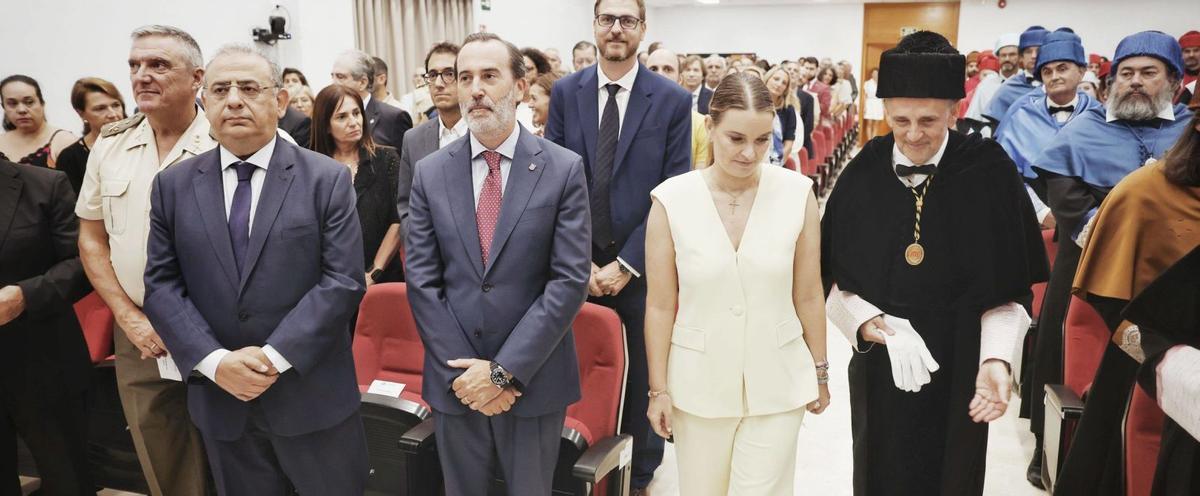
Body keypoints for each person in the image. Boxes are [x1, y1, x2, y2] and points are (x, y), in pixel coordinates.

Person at [822, 31, 1047, 496]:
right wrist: (868, 323)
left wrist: (996, 359)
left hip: (965, 363)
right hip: (883, 363)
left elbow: (1011, 288)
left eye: (928, 120)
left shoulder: (989, 170)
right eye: (900, 120)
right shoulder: (864, 171)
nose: (912, 134)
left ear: (954, 111)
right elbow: (831, 279)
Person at [142, 43, 368, 495]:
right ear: (203, 101)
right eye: (220, 90)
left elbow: (342, 281)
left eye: (249, 88)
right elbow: (162, 285)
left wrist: (272, 358)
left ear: (280, 101)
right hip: (222, 400)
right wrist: (215, 361)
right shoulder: (173, 185)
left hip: (311, 397)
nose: (233, 101)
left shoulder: (325, 179)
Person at [405, 31, 591, 495]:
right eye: (464, 77)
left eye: (489, 76)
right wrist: (467, 377)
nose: (475, 89)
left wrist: (503, 372)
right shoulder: (431, 172)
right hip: (456, 380)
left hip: (533, 378)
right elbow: (422, 281)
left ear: (521, 87)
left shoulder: (562, 168)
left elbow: (568, 281)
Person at [643, 72, 829, 495]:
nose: (750, 153)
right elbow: (660, 305)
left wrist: (820, 371)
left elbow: (808, 293)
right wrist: (659, 390)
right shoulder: (671, 199)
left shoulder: (796, 193)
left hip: (779, 380)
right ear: (710, 127)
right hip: (698, 381)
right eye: (736, 138)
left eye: (762, 140)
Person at [545, 0, 692, 492]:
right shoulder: (566, 93)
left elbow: (672, 190)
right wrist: (580, 260)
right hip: (576, 265)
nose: (616, 28)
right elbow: (553, 181)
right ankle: (575, 462)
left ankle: (639, 474)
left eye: (627, 20)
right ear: (594, 25)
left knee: (642, 373)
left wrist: (626, 263)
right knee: (577, 369)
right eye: (607, 19)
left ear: (642, 29)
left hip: (642, 264)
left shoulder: (671, 100)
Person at [1045, 31, 1195, 495]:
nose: (1135, 82)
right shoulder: (1085, 130)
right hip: (1095, 265)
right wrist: (1105, 231)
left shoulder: (1188, 130)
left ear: (1174, 81)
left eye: (1148, 73)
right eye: (1126, 73)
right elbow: (1061, 186)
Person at [75, 25, 215, 496]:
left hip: (219, 324)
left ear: (197, 78)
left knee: (236, 451)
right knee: (163, 454)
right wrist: (126, 315)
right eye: (135, 65)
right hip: (140, 328)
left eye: (158, 65)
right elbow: (92, 239)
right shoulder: (111, 145)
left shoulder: (229, 138)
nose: (142, 75)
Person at [0, 159, 93, 496]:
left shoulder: (45, 184)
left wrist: (25, 295)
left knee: (67, 478)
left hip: (41, 360)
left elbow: (83, 262)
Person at [994, 28, 1097, 228]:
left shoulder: (1099, 115)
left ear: (1082, 71)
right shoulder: (1022, 116)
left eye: (1062, 68)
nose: (1054, 76)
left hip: (1093, 221)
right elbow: (1005, 172)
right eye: (1047, 71)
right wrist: (1041, 213)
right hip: (1032, 219)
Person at [311, 84, 403, 285]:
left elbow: (398, 220)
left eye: (356, 113)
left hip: (383, 277)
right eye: (342, 117)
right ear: (325, 125)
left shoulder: (386, 158)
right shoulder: (313, 168)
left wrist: (373, 273)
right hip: (330, 281)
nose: (353, 122)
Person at [397, 42, 465, 241]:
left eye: (449, 74)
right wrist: (418, 245)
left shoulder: (483, 133)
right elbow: (406, 205)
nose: (439, 83)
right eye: (433, 75)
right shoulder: (413, 139)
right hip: (427, 250)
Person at [57, 77, 126, 192]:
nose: (113, 114)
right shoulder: (70, 158)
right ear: (81, 114)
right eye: (100, 108)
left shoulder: (143, 140)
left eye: (116, 105)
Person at [332, 49, 413, 148]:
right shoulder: (330, 115)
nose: (334, 83)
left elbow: (405, 156)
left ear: (362, 83)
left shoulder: (393, 118)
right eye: (333, 76)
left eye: (340, 77)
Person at [645, 49, 709, 168]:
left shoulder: (700, 124)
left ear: (680, 79)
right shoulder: (631, 118)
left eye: (668, 69)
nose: (660, 75)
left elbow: (699, 174)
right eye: (653, 69)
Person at [0, 75, 76, 168]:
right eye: (12, 103)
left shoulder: (64, 141)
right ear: (4, 107)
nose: (21, 110)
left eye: (29, 102)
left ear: (42, 103)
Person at [985, 26, 1050, 125]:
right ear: (1021, 57)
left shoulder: (1059, 84)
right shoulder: (1008, 89)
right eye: (1028, 52)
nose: (1034, 56)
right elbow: (995, 126)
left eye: (1038, 51)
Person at [964, 49, 1006, 136]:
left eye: (991, 75)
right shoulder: (975, 90)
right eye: (985, 75)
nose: (988, 79)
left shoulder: (1003, 90)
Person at [763, 65, 798, 166]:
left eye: (784, 83)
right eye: (776, 79)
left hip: (777, 162)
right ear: (767, 79)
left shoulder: (788, 110)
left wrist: (777, 164)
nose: (779, 84)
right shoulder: (754, 104)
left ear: (786, 89)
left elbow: (788, 143)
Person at [786, 60, 816, 160]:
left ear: (799, 75)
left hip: (800, 144)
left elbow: (809, 125)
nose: (792, 72)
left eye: (795, 70)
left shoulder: (808, 98)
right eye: (789, 69)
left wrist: (793, 141)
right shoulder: (776, 95)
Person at [801, 57, 832, 126]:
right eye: (806, 68)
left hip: (815, 123)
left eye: (811, 69)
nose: (808, 71)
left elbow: (824, 110)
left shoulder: (824, 88)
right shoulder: (799, 84)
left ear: (817, 70)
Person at [863, 67, 883, 140]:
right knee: (869, 123)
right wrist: (864, 106)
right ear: (871, 74)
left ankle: (873, 141)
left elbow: (884, 97)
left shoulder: (882, 84)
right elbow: (865, 95)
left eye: (876, 73)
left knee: (876, 124)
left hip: (879, 103)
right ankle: (869, 141)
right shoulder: (867, 83)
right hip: (869, 103)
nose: (875, 75)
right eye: (874, 73)